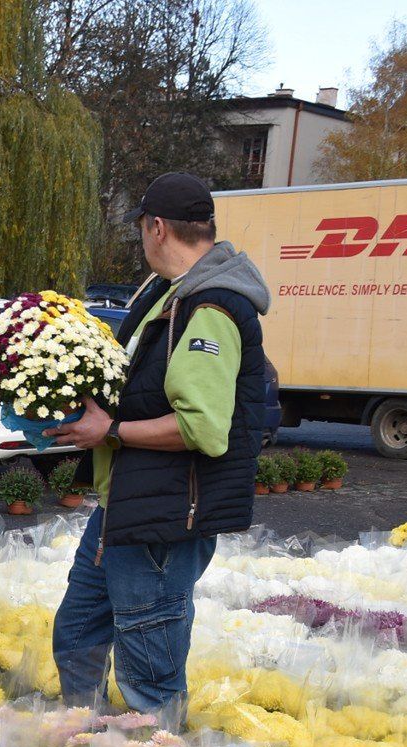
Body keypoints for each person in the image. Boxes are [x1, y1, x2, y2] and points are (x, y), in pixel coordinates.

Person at [45, 172, 272, 711]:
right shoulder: (171, 294)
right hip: (126, 506)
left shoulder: (211, 307)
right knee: (77, 634)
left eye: (142, 229)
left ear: (157, 228)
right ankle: (87, 746)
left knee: (150, 673)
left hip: (166, 519)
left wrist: (112, 431)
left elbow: (204, 429)